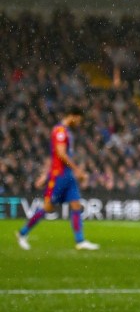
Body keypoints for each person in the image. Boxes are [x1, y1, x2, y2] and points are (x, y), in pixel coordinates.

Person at [16, 105, 99, 251]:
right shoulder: (60, 131)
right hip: (59, 175)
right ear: (73, 116)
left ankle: (80, 241)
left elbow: (54, 155)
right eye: (79, 120)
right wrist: (77, 170)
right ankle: (22, 233)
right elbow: (60, 154)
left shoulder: (66, 131)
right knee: (48, 207)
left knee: (76, 205)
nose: (79, 123)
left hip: (67, 175)